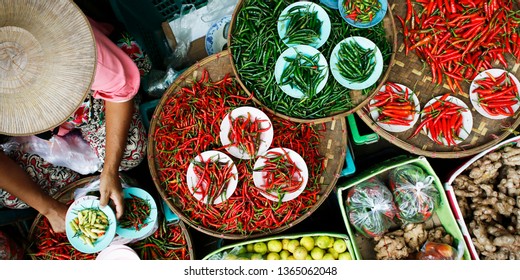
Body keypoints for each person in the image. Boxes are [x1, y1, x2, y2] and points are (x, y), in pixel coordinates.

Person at [0, 0, 147, 230]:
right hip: (43, 131)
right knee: (12, 196)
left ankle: (102, 175)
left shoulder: (76, 47)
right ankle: (86, 180)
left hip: (89, 97)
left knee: (130, 154)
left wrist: (110, 169)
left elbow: (119, 91)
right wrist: (49, 208)